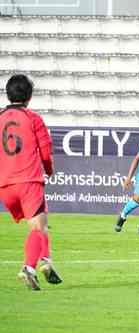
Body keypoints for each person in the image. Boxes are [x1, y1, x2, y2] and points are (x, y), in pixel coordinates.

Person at [0, 74, 62, 290]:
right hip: (28, 180)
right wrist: (50, 170)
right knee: (37, 228)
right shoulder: (33, 118)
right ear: (29, 96)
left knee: (42, 219)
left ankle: (46, 262)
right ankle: (29, 268)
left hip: (5, 185)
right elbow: (45, 151)